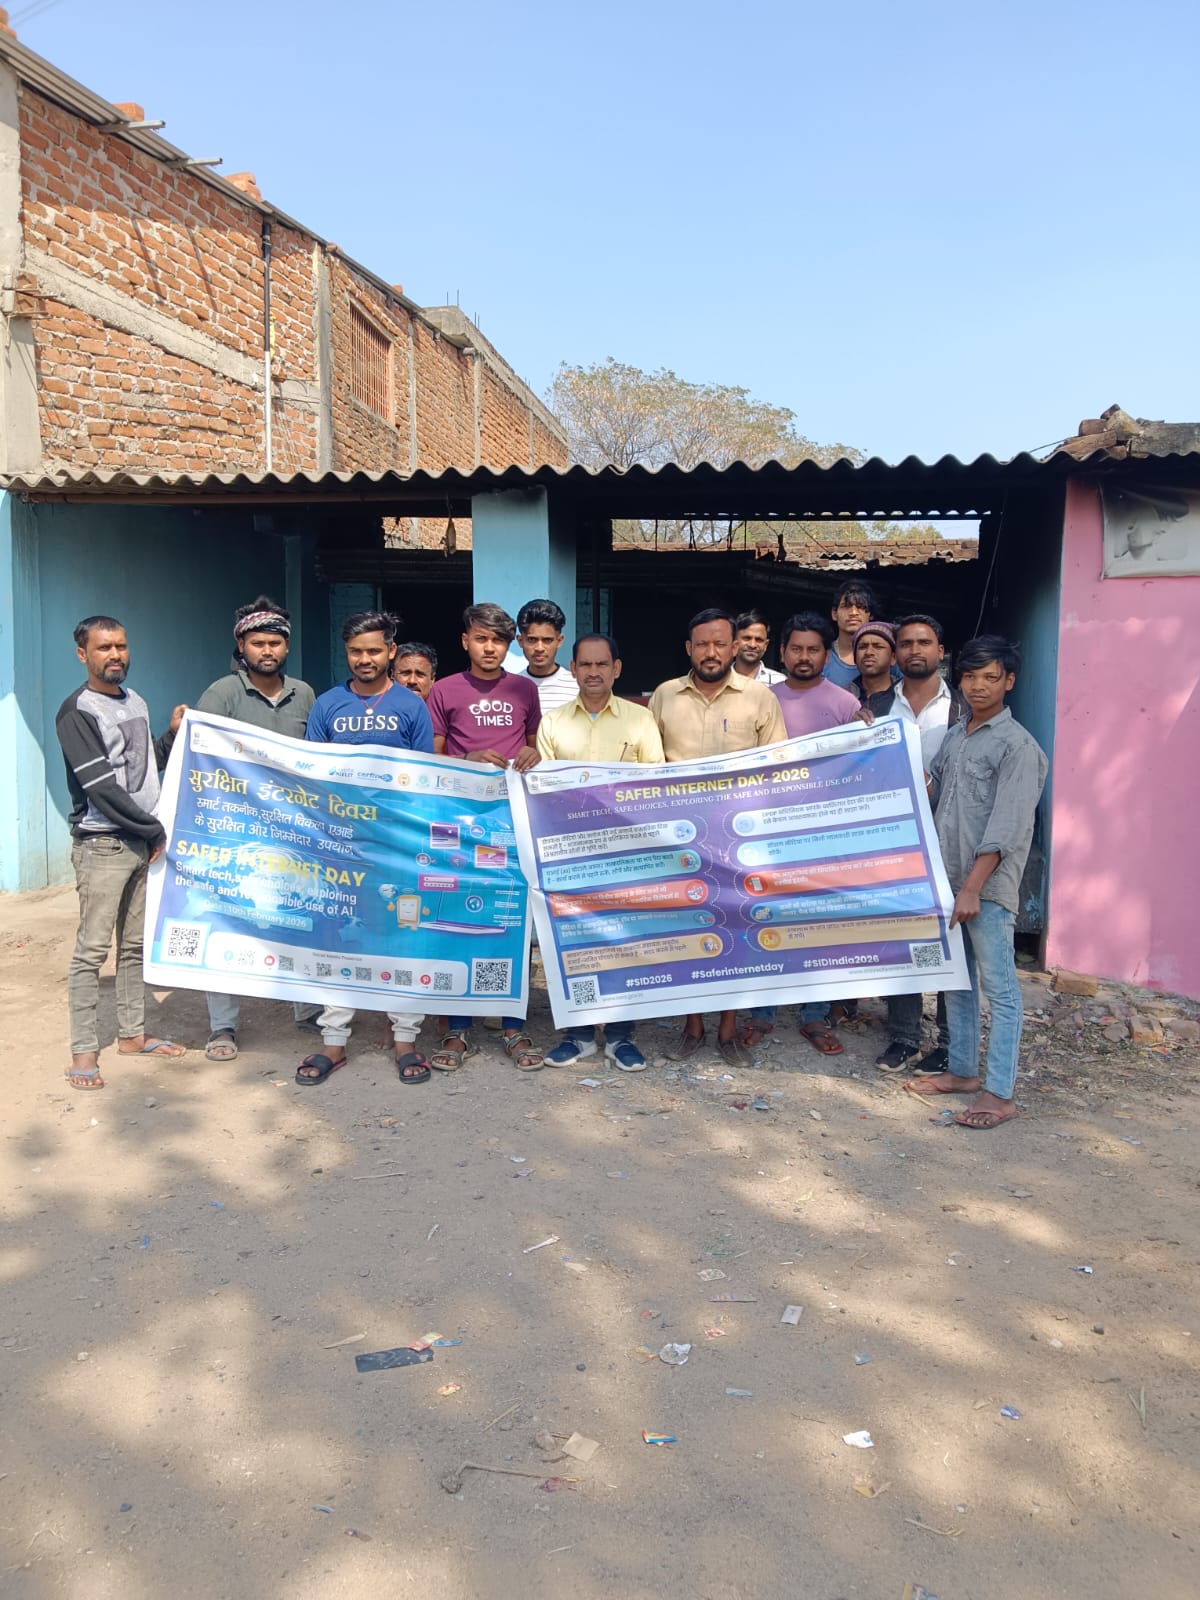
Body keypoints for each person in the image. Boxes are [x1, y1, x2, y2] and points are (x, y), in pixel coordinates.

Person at [904, 636, 1047, 1131]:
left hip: (985, 890)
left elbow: (1007, 828)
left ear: (1010, 681)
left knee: (1001, 991)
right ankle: (963, 1071)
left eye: (991, 677)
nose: (978, 686)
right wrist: (886, 751)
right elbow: (935, 793)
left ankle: (1000, 1093)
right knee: (956, 982)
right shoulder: (956, 737)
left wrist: (971, 889)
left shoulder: (1019, 747)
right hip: (946, 882)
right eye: (970, 676)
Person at [296, 611, 435, 1088]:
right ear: (346, 653)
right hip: (340, 844)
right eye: (356, 651)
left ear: (391, 651)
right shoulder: (328, 705)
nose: (365, 659)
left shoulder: (411, 707)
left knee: (401, 934)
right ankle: (334, 1041)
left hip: (396, 844)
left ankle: (405, 1038)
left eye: (374, 650)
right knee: (337, 936)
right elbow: (312, 774)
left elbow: (423, 779)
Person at [647, 608, 786, 1067]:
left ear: (734, 647)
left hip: (737, 838)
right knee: (688, 928)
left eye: (720, 643)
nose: (711, 652)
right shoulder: (665, 695)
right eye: (702, 644)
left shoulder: (760, 698)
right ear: (689, 649)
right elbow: (648, 768)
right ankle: (692, 1025)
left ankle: (728, 1029)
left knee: (736, 929)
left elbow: (775, 768)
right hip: (680, 838)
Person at [56, 616, 188, 1090]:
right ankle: (84, 1053)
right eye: (104, 647)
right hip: (104, 844)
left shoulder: (136, 701)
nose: (115, 655)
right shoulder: (77, 712)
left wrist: (172, 736)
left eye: (121, 646)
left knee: (133, 947)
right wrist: (154, 830)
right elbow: (102, 788)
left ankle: (132, 1035)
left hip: (138, 842)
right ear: (83, 654)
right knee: (91, 952)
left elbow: (144, 766)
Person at [196, 596, 319, 1062]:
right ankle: (223, 1025)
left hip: (292, 828)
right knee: (228, 918)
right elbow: (200, 753)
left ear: (286, 647)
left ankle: (307, 1008)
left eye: (275, 642)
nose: (267, 650)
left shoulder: (304, 694)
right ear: (241, 646)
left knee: (300, 911)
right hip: (235, 827)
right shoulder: (222, 693)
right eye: (257, 642)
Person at [736, 613, 864, 1057]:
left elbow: (859, 768)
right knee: (766, 918)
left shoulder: (846, 704)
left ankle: (815, 1014)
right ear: (783, 652)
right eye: (796, 649)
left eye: (813, 650)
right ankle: (761, 1013)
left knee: (818, 925)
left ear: (827, 655)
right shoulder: (761, 699)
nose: (804, 657)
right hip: (767, 831)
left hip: (824, 835)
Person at [537, 633, 665, 1073]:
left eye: (602, 664)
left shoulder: (640, 721)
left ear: (617, 668)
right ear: (573, 669)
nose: (593, 672)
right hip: (570, 852)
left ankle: (620, 1035)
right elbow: (543, 792)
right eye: (585, 664)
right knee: (574, 942)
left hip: (625, 853)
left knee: (623, 941)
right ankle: (577, 1034)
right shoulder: (553, 722)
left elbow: (654, 787)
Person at [426, 602, 544, 1072]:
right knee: (458, 923)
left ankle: (513, 1026)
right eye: (481, 638)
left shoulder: (524, 689)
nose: (489, 648)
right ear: (465, 641)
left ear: (509, 645)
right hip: (458, 826)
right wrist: (467, 761)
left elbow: (534, 746)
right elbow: (431, 756)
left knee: (510, 924)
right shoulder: (444, 689)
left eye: (498, 640)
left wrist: (534, 754)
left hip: (510, 826)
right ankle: (458, 1029)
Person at [873, 613, 966, 1074]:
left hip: (950, 839)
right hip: (895, 840)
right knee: (904, 936)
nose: (915, 650)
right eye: (906, 643)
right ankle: (904, 1037)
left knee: (953, 939)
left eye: (923, 642)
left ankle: (951, 1042)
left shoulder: (963, 707)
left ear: (940, 651)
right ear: (896, 653)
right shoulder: (875, 705)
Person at [512, 598, 578, 711]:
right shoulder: (511, 688)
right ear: (520, 641)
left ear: (559, 641)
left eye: (547, 640)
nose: (539, 648)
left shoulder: (578, 687)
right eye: (532, 640)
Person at [822, 579, 879, 689]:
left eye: (860, 606)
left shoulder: (885, 657)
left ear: (871, 614)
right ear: (834, 614)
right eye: (846, 606)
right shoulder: (822, 657)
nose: (853, 613)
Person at [849, 620, 898, 713]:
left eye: (878, 646)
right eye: (862, 647)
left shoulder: (905, 695)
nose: (868, 652)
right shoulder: (841, 697)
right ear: (854, 658)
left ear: (893, 657)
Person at [732, 608, 784, 684]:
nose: (752, 645)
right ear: (734, 641)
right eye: (747, 638)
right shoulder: (719, 679)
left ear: (766, 645)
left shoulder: (779, 682)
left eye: (759, 640)